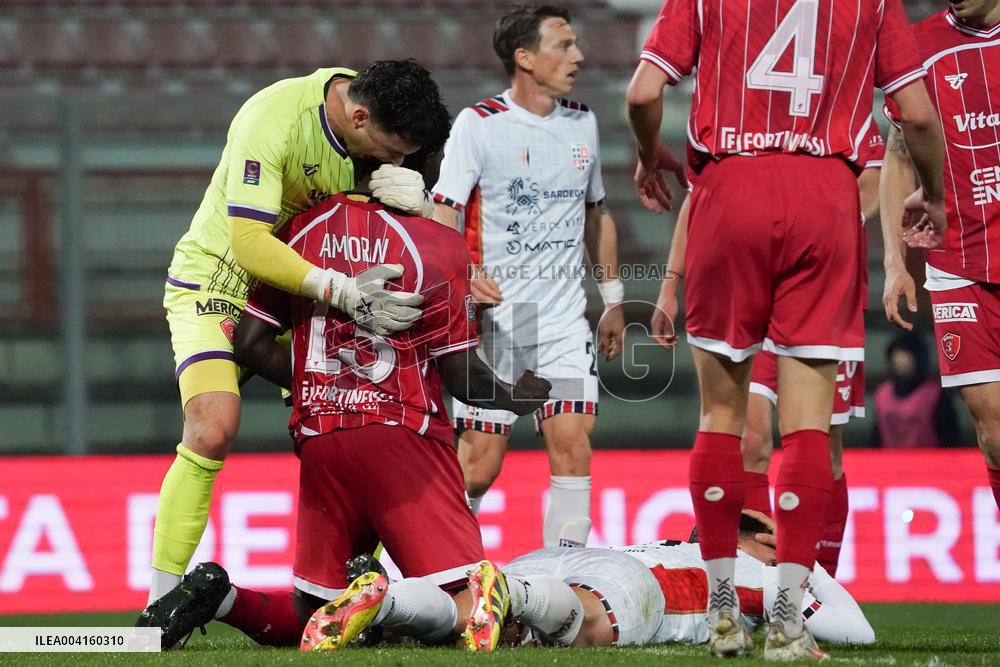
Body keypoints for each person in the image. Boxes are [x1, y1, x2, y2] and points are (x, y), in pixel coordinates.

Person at [628, 0, 945, 659]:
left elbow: (642, 92)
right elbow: (915, 113)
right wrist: (934, 193)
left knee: (720, 415)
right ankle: (790, 622)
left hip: (729, 185)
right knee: (810, 426)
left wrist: (650, 150)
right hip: (824, 192)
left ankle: (721, 609)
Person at [138, 192, 552, 651]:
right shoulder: (435, 242)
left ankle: (222, 599)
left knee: (314, 613)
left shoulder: (298, 233)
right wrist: (514, 397)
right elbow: (463, 376)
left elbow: (251, 343)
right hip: (402, 438)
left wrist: (323, 383)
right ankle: (385, 603)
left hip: (321, 436)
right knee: (473, 604)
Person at [146, 60, 452, 607]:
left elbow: (402, 230)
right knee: (213, 425)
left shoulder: (383, 116)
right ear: (358, 118)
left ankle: (353, 594)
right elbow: (249, 244)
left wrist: (422, 203)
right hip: (222, 284)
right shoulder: (274, 118)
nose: (398, 160)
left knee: (365, 423)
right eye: (394, 149)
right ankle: (159, 602)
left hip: (304, 298)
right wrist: (342, 292)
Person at [652, 124, 886, 579]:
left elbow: (874, 182)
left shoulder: (841, 100)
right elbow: (701, 197)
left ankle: (817, 583)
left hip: (818, 278)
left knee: (823, 444)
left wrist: (813, 217)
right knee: (750, 438)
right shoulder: (734, 106)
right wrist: (670, 282)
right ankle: (752, 575)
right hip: (753, 274)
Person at [430, 5, 625, 549]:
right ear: (524, 57)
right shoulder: (479, 124)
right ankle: (434, 578)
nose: (578, 57)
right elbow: (442, 210)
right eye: (563, 46)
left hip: (564, 322)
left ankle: (565, 585)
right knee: (479, 467)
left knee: (573, 447)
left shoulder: (582, 121)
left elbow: (598, 213)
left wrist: (611, 300)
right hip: (500, 323)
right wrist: (464, 274)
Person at [320, 511, 873, 652]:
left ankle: (387, 603)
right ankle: (511, 594)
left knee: (473, 615)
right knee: (581, 624)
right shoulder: (761, 576)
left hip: (574, 558)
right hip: (633, 587)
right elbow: (859, 633)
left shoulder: (670, 543)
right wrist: (806, 562)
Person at [880, 0, 1000, 508]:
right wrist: (893, 262)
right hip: (957, 258)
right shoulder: (917, 46)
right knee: (993, 430)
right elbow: (897, 154)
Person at [872, 331, 962, 448]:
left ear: (918, 358)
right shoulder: (882, 393)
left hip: (930, 462)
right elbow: (876, 435)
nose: (900, 360)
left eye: (905, 355)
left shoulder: (934, 394)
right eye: (897, 355)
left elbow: (950, 436)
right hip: (889, 461)